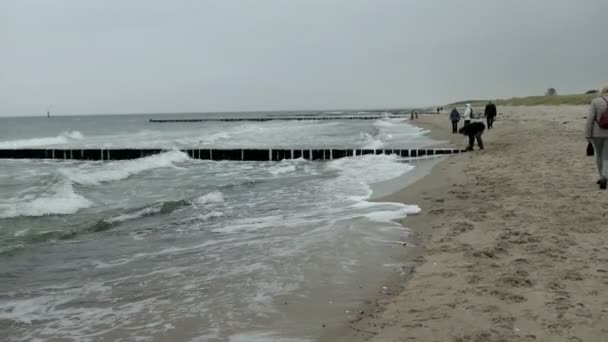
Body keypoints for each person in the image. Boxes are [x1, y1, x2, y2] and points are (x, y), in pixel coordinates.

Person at [585, 83, 608, 189]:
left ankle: (601, 176)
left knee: (599, 156)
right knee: (606, 156)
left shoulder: (595, 101)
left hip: (597, 133)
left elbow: (590, 119)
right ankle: (605, 176)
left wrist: (588, 135)